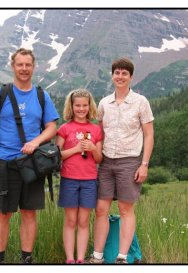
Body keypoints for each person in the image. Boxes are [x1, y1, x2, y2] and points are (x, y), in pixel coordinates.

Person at [0, 48, 59, 264]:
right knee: (3, 213)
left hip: (32, 164)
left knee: (29, 212)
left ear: (33, 67)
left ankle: (26, 259)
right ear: (13, 66)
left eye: (28, 65)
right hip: (5, 161)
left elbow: (52, 127)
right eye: (20, 64)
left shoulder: (42, 96)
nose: (24, 69)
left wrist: (35, 142)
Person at [89, 58, 154, 264]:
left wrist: (144, 164)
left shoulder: (140, 102)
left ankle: (122, 257)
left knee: (126, 209)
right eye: (117, 72)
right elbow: (99, 132)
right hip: (106, 162)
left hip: (130, 161)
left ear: (130, 77)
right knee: (101, 209)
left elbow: (149, 135)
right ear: (112, 75)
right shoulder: (104, 103)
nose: (120, 76)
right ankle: (97, 256)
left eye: (124, 73)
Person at [56, 89, 103, 264]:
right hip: (69, 179)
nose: (81, 109)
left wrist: (93, 149)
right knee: (70, 220)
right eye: (78, 105)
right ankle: (69, 258)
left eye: (84, 105)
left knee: (83, 221)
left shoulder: (96, 130)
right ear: (72, 106)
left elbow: (99, 159)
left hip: (90, 180)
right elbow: (57, 155)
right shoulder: (64, 128)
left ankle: (81, 259)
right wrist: (76, 149)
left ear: (89, 106)